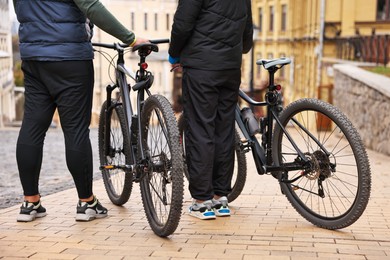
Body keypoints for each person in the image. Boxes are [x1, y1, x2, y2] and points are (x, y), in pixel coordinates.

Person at [13, 0, 149, 222]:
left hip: (34, 57)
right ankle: (87, 203)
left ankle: (30, 202)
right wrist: (130, 38)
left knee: (32, 127)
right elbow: (91, 6)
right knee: (76, 130)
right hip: (71, 58)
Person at [168, 0, 253, 220]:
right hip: (230, 68)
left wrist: (174, 53)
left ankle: (202, 201)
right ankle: (220, 197)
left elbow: (183, 24)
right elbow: (247, 34)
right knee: (223, 131)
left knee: (200, 130)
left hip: (201, 68)